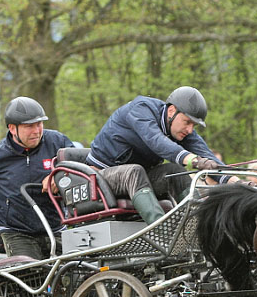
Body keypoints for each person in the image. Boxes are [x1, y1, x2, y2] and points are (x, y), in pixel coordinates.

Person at [86, 86, 234, 225]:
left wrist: (236, 181)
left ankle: (198, 227)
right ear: (171, 111)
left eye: (193, 125)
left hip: (141, 179)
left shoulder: (180, 129)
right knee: (134, 171)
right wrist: (194, 161)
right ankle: (160, 230)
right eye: (187, 122)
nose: (189, 130)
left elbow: (207, 155)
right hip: (100, 177)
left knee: (175, 171)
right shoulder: (140, 109)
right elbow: (157, 142)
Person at [0, 96, 74, 259]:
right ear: (12, 128)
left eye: (40, 124)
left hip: (56, 227)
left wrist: (59, 175)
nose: (37, 131)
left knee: (70, 276)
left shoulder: (57, 141)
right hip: (17, 232)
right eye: (29, 126)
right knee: (31, 277)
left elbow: (80, 165)